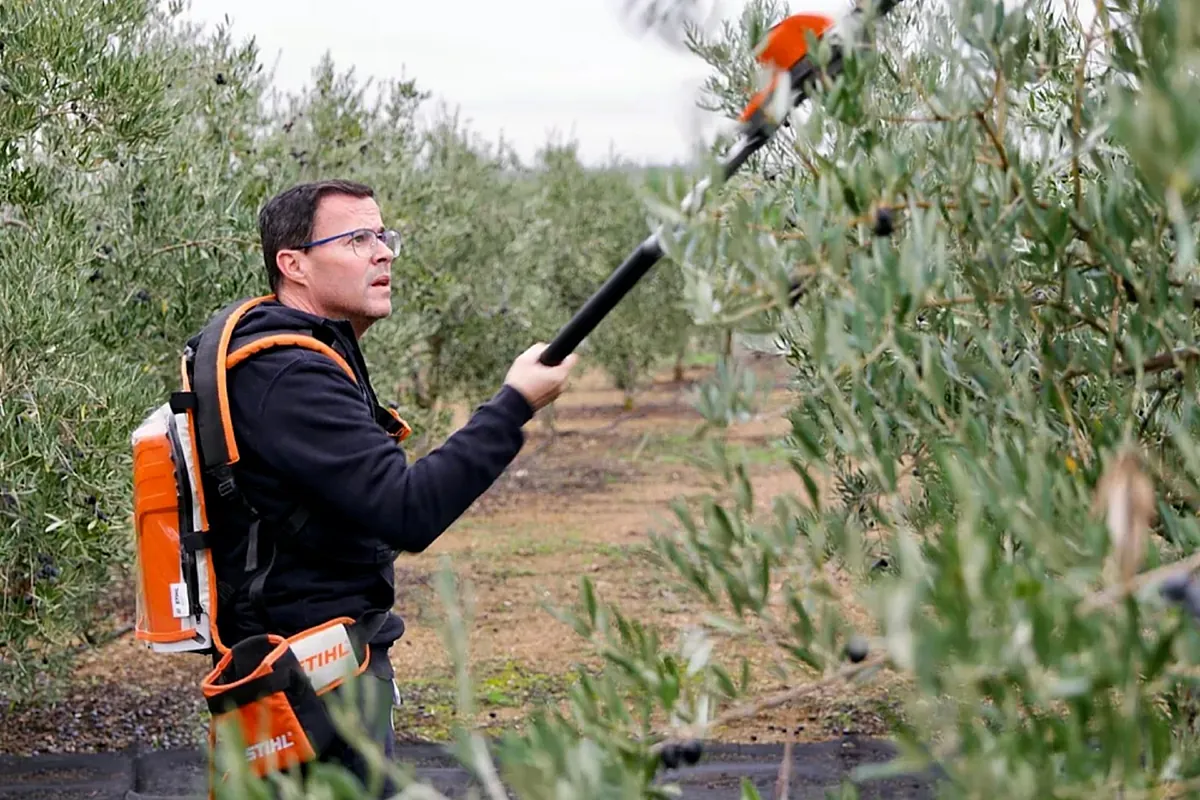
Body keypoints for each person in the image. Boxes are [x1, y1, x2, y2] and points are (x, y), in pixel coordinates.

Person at [202, 179, 578, 792]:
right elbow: (407, 511)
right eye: (357, 239)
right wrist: (513, 406)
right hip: (309, 686)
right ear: (292, 265)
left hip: (317, 670)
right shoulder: (289, 377)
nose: (384, 253)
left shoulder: (301, 356)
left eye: (383, 237)